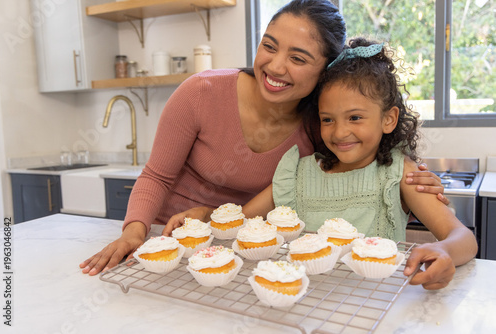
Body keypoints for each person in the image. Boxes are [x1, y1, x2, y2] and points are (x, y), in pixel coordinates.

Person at [80, 0, 446, 276]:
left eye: (298, 58)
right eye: (269, 46)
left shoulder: (317, 128)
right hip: (170, 239)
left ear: (325, 73)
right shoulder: (200, 93)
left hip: (243, 247)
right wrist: (134, 231)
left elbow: (364, 146)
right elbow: (156, 175)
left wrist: (412, 176)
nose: (274, 66)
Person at [207, 37, 477, 289]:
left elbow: (464, 239)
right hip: (303, 308)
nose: (339, 132)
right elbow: (239, 222)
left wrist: (444, 251)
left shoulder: (399, 174)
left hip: (376, 308)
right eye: (328, 119)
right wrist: (204, 219)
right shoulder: (297, 174)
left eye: (355, 118)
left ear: (389, 119)